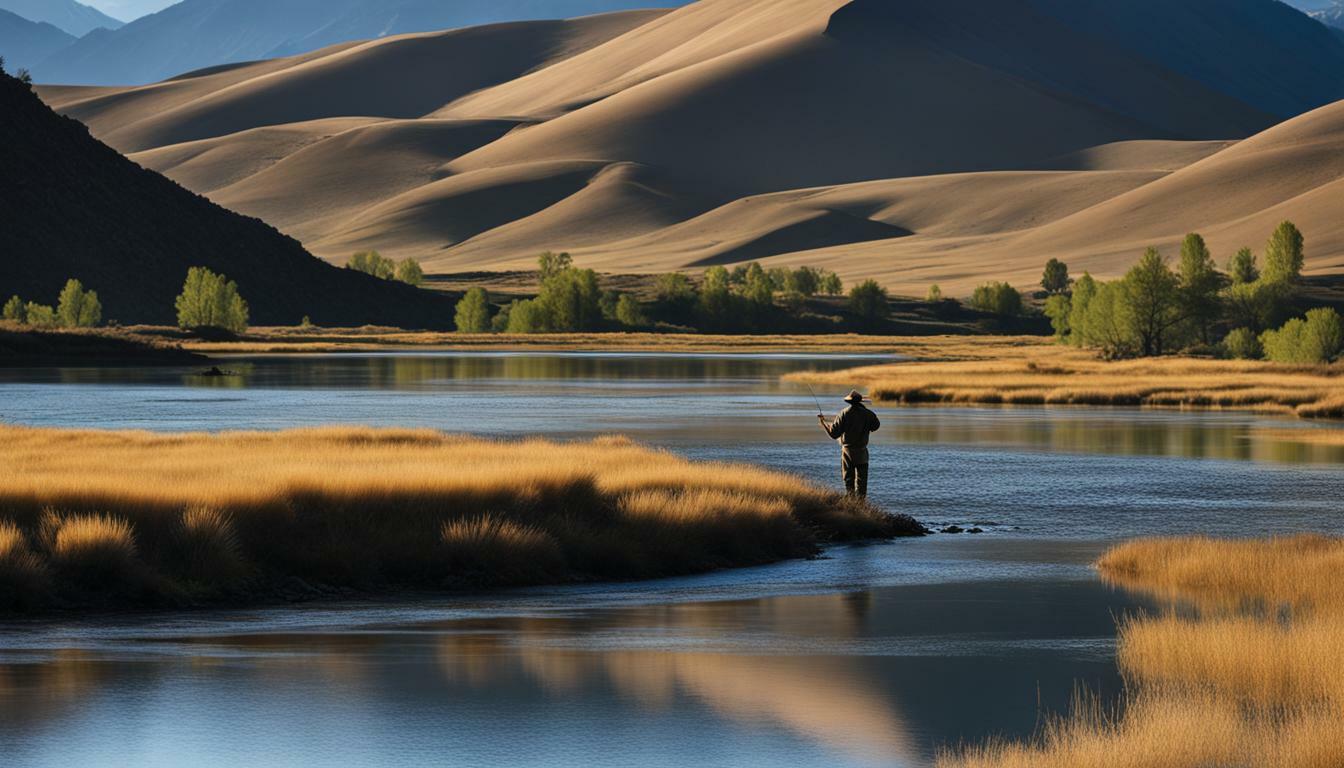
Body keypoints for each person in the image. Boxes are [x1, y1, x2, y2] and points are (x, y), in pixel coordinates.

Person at [818, 390, 881, 497]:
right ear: (860, 401)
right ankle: (862, 505)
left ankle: (851, 503)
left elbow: (833, 434)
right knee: (862, 481)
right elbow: (876, 426)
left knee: (848, 480)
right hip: (862, 452)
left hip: (848, 452)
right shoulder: (868, 414)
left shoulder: (844, 413)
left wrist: (823, 423)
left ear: (849, 402)